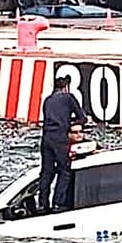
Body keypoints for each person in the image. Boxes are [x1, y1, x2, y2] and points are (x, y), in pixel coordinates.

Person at [38, 76, 87, 212]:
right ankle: (58, 203)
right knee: (64, 170)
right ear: (66, 87)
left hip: (46, 137)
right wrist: (71, 124)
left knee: (46, 172)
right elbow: (82, 118)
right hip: (60, 138)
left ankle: (42, 204)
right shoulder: (68, 97)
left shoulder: (47, 100)